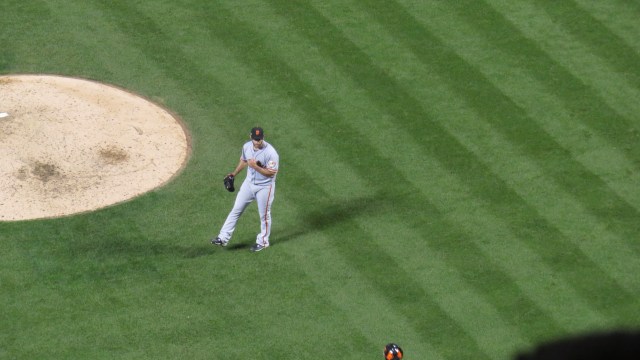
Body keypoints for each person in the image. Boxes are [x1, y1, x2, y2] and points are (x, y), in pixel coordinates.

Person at [211, 127, 279, 252]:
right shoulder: (247, 147)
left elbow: (271, 173)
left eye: (259, 139)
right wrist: (233, 174)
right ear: (250, 137)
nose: (257, 141)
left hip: (264, 187)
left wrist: (255, 167)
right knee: (236, 209)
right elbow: (243, 161)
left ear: (263, 137)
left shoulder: (271, 153)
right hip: (248, 184)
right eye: (255, 139)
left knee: (264, 215)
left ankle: (263, 242)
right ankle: (223, 237)